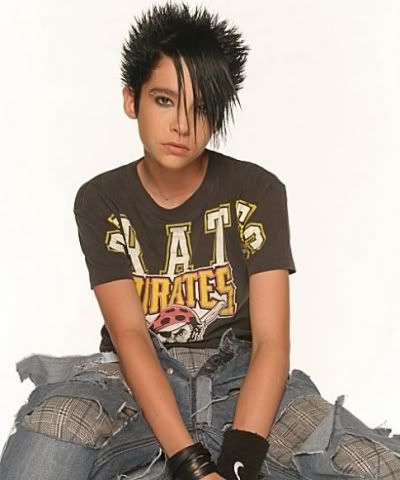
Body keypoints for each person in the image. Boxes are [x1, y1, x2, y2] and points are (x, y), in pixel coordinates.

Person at [2, 2, 400, 480]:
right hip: (131, 383)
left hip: (243, 381)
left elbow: (272, 342)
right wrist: (191, 466)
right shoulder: (101, 199)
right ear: (131, 100)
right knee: (44, 440)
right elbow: (130, 336)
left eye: (202, 108)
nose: (182, 125)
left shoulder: (257, 191)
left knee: (374, 465)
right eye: (164, 100)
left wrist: (236, 465)